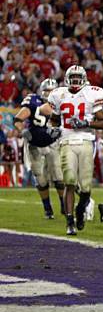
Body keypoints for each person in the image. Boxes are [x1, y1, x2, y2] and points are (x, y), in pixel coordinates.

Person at [40, 65, 103, 235]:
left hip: (86, 141)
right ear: (67, 78)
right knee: (69, 181)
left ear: (84, 79)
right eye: (73, 77)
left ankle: (80, 210)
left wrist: (86, 123)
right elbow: (54, 120)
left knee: (85, 188)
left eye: (79, 77)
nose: (76, 81)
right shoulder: (58, 94)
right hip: (66, 141)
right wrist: (51, 128)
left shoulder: (93, 93)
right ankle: (70, 221)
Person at [12, 78, 64, 219]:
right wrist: (23, 130)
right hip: (35, 143)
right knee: (41, 180)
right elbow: (17, 119)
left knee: (59, 178)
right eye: (47, 91)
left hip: (52, 143)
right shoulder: (33, 101)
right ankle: (48, 209)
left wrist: (60, 130)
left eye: (52, 91)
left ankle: (65, 207)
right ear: (41, 91)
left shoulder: (61, 102)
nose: (49, 93)